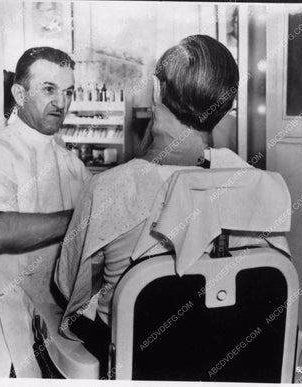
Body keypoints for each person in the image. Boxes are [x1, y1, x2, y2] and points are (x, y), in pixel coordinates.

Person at [54, 35, 251, 363]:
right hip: (222, 357)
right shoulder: (252, 187)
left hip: (131, 361)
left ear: (158, 92)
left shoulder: (110, 189)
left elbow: (68, 288)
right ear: (226, 106)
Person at [0, 47, 91, 378]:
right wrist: (81, 219)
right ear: (20, 93)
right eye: (49, 89)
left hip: (50, 322)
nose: (61, 102)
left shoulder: (72, 164)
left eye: (69, 92)